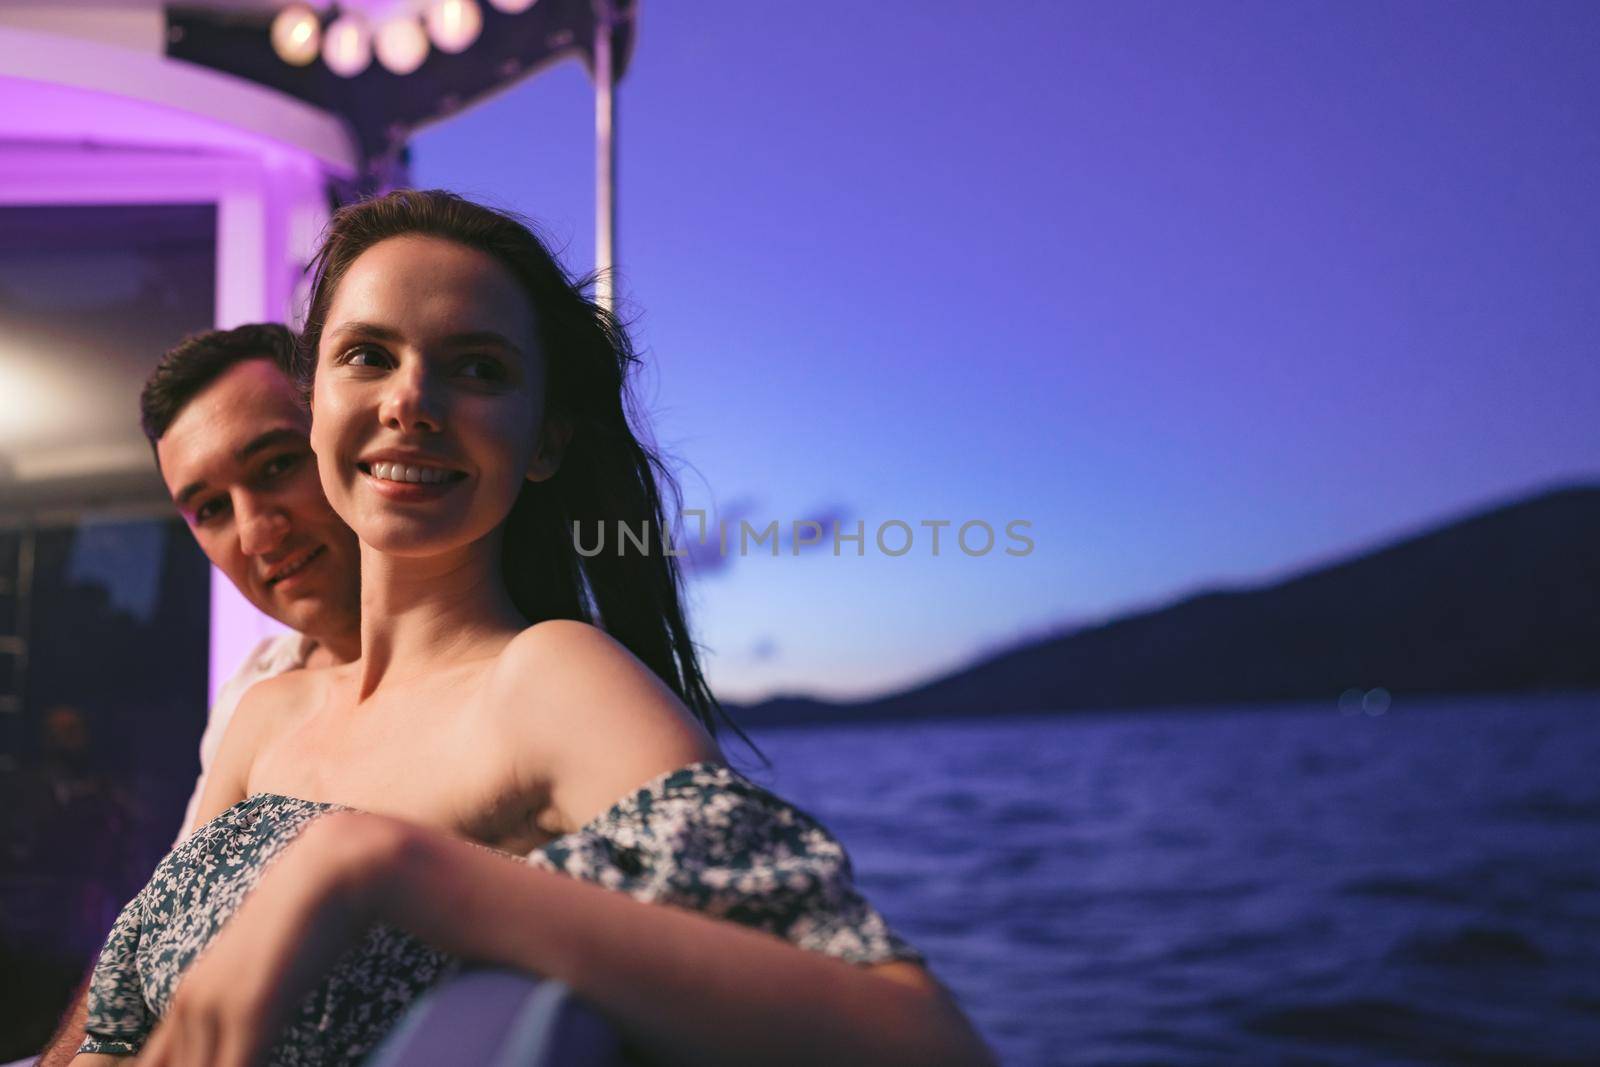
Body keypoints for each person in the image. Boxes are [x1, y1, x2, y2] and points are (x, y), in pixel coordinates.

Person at [71, 189, 995, 1066]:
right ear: (314, 405)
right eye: (368, 355)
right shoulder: (264, 712)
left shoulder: (548, 679)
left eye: (479, 368)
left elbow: (918, 1035)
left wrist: (382, 864)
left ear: (544, 440)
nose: (411, 401)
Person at [35, 326, 363, 1067]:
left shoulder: (531, 675)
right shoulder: (258, 687)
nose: (256, 531)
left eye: (278, 464)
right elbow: (155, 934)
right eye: (210, 508)